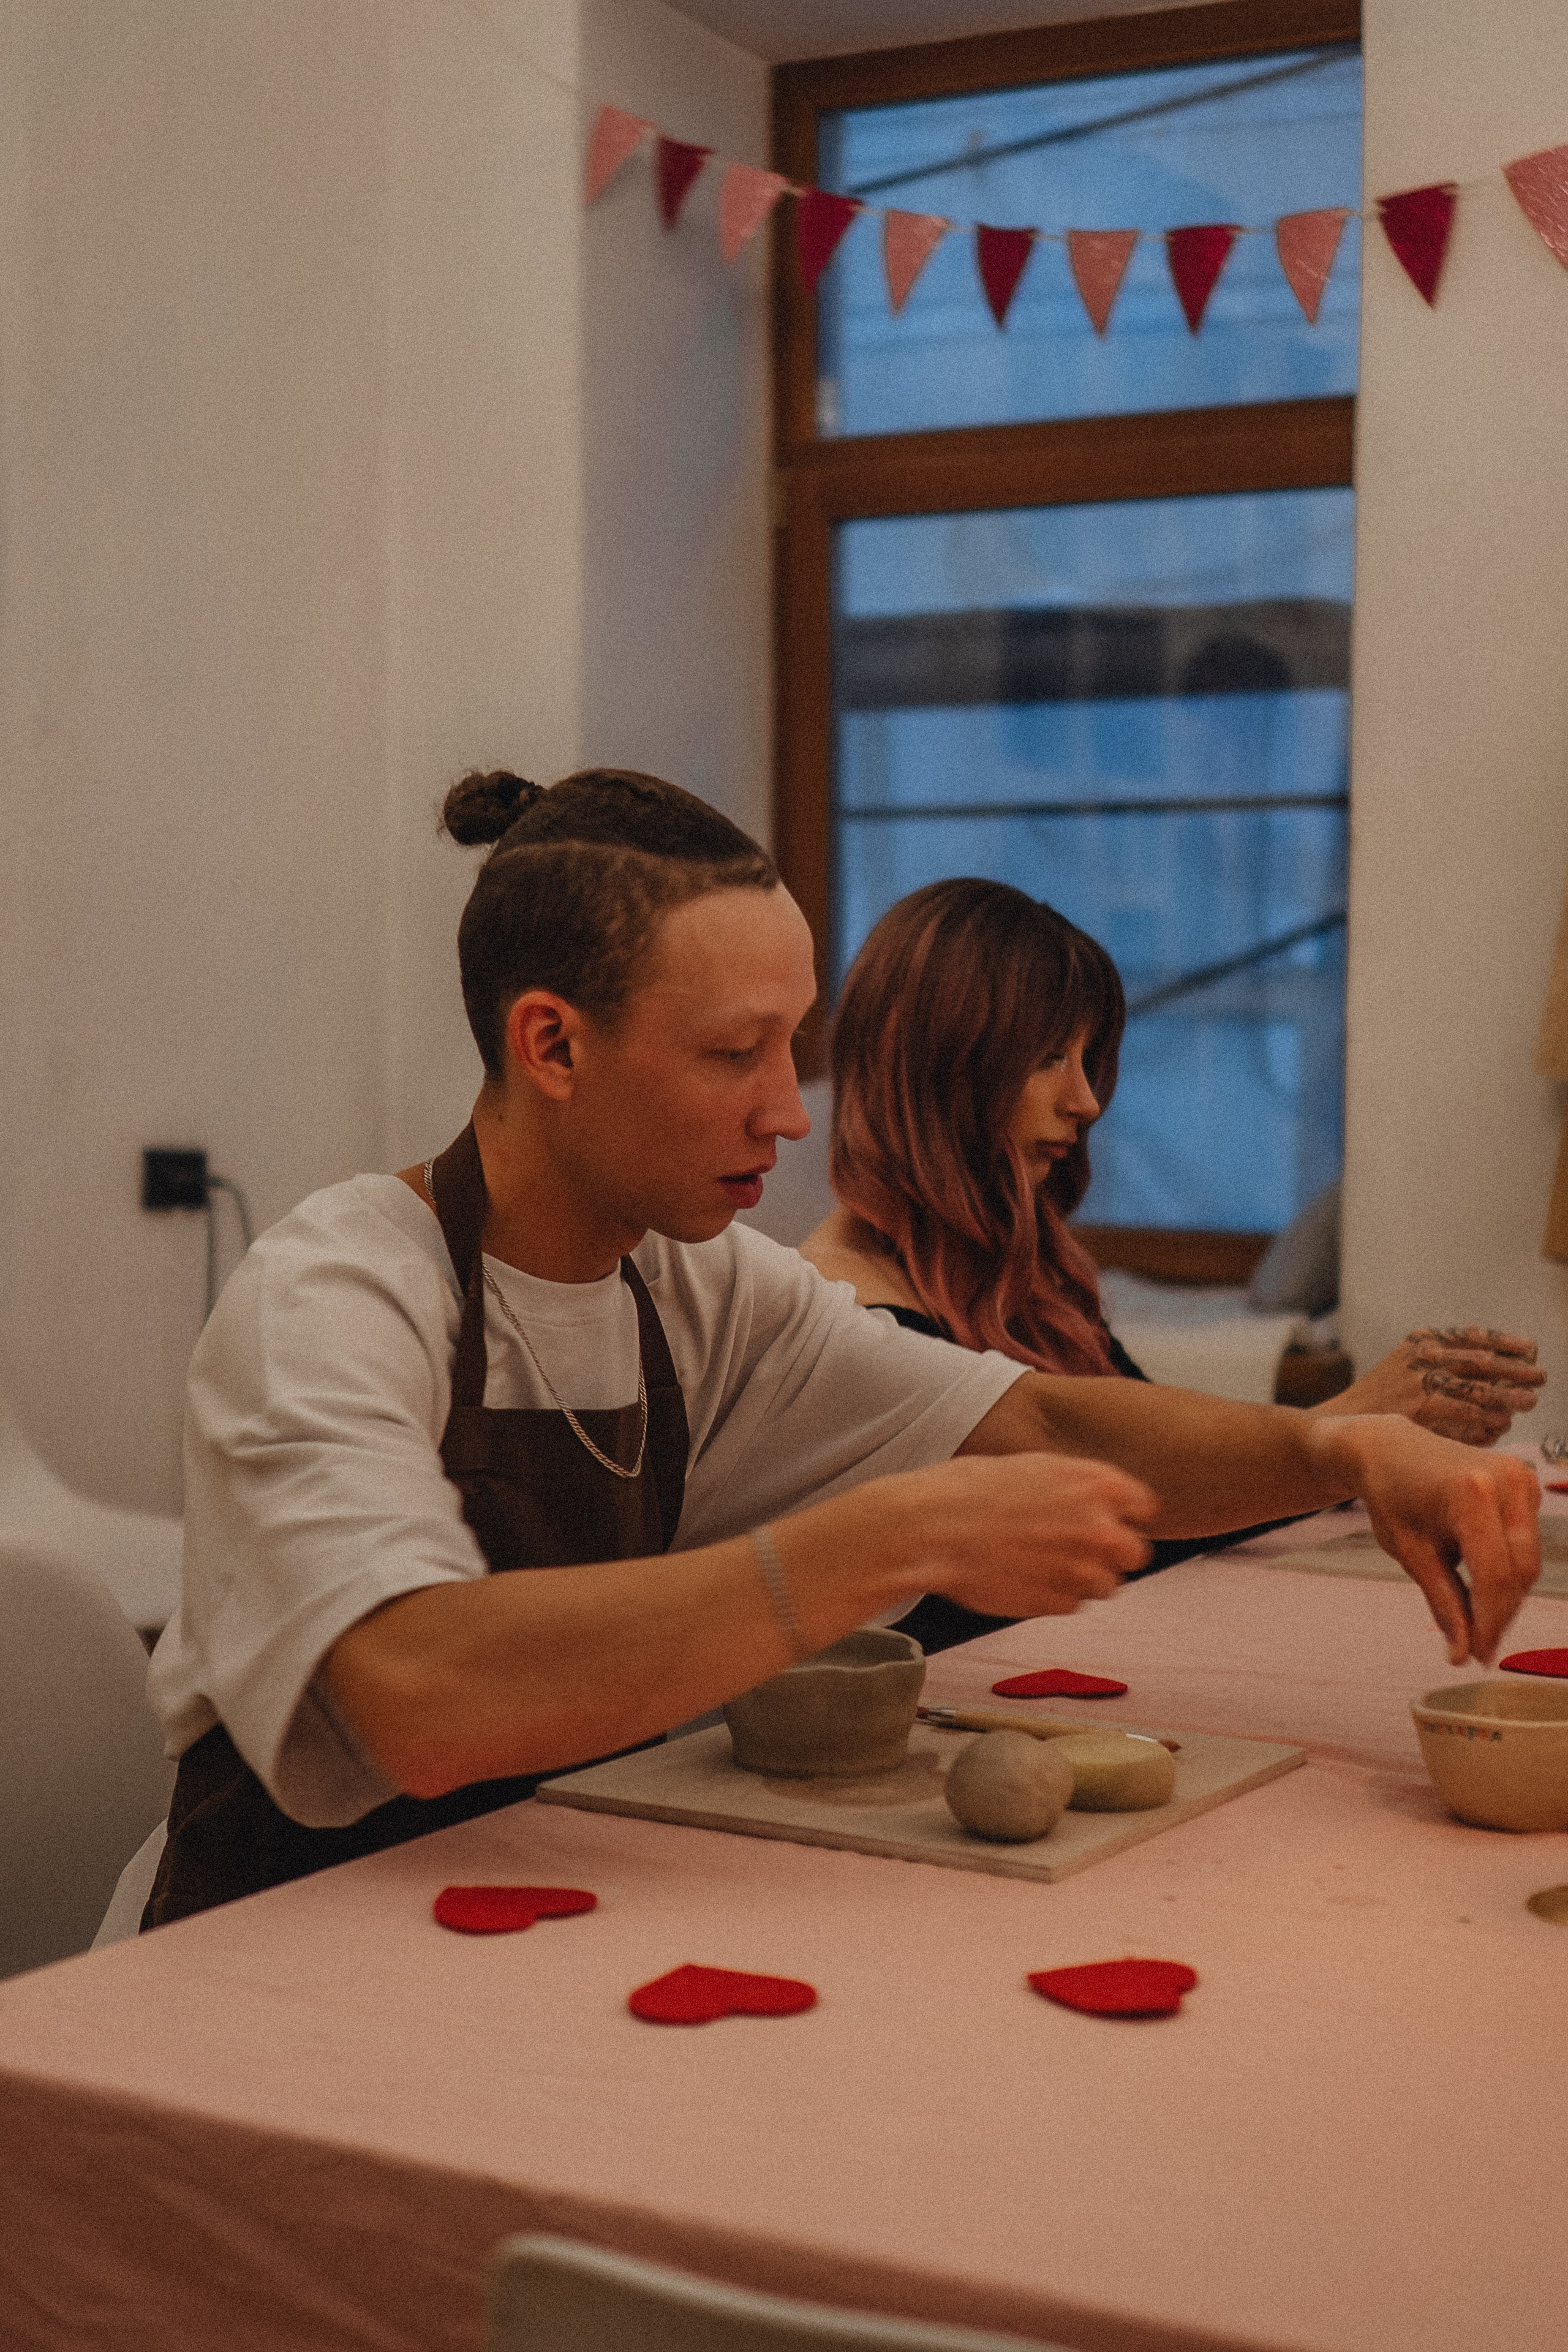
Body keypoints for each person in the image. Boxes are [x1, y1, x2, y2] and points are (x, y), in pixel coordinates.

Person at [144, 773, 1540, 1925]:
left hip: (536, 1903)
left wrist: (1336, 1445)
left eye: (792, 1044)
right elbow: (420, 1691)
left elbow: (1046, 1425)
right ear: (551, 1044)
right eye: (734, 1053)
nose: (789, 1112)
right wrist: (886, 1538)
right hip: (272, 1953)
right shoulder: (333, 1298)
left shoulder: (698, 1285)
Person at [800, 878, 1544, 1645]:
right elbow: (1118, 1518)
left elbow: (1165, 1491)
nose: (1086, 1100)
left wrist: (1355, 1439)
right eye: (1050, 1056)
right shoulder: (847, 1310)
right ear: (939, 1067)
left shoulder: (1020, 1277)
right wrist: (1353, 1430)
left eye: (1088, 1058)